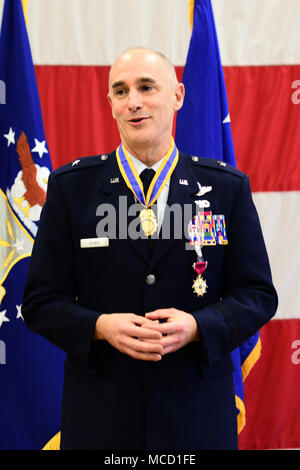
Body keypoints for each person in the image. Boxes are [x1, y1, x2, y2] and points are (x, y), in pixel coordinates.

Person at [22, 47, 278, 450]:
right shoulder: (72, 189)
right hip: (102, 415)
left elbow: (258, 296)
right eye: (121, 92)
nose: (134, 102)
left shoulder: (226, 189)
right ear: (110, 105)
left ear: (177, 96)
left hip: (196, 413)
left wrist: (198, 327)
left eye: (146, 87)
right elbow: (39, 301)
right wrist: (100, 326)